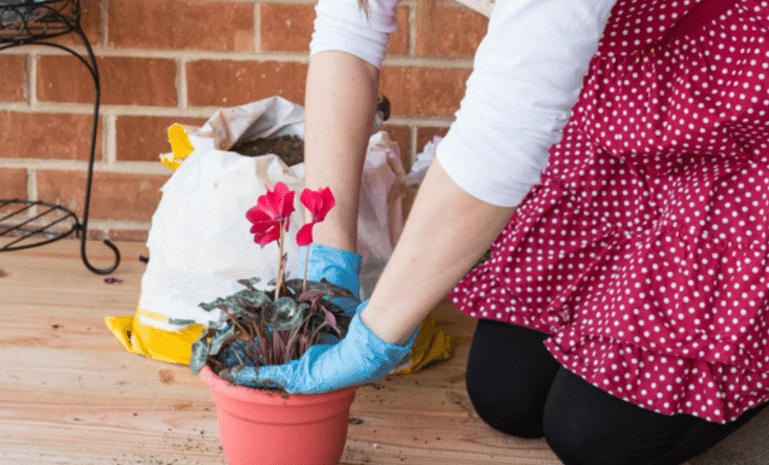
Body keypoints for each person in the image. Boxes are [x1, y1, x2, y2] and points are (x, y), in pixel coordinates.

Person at [230, 0, 769, 463]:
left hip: (744, 115)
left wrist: (377, 334)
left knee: (595, 440)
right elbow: (352, 28)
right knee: (507, 396)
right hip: (633, 106)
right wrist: (328, 247)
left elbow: (504, 132)